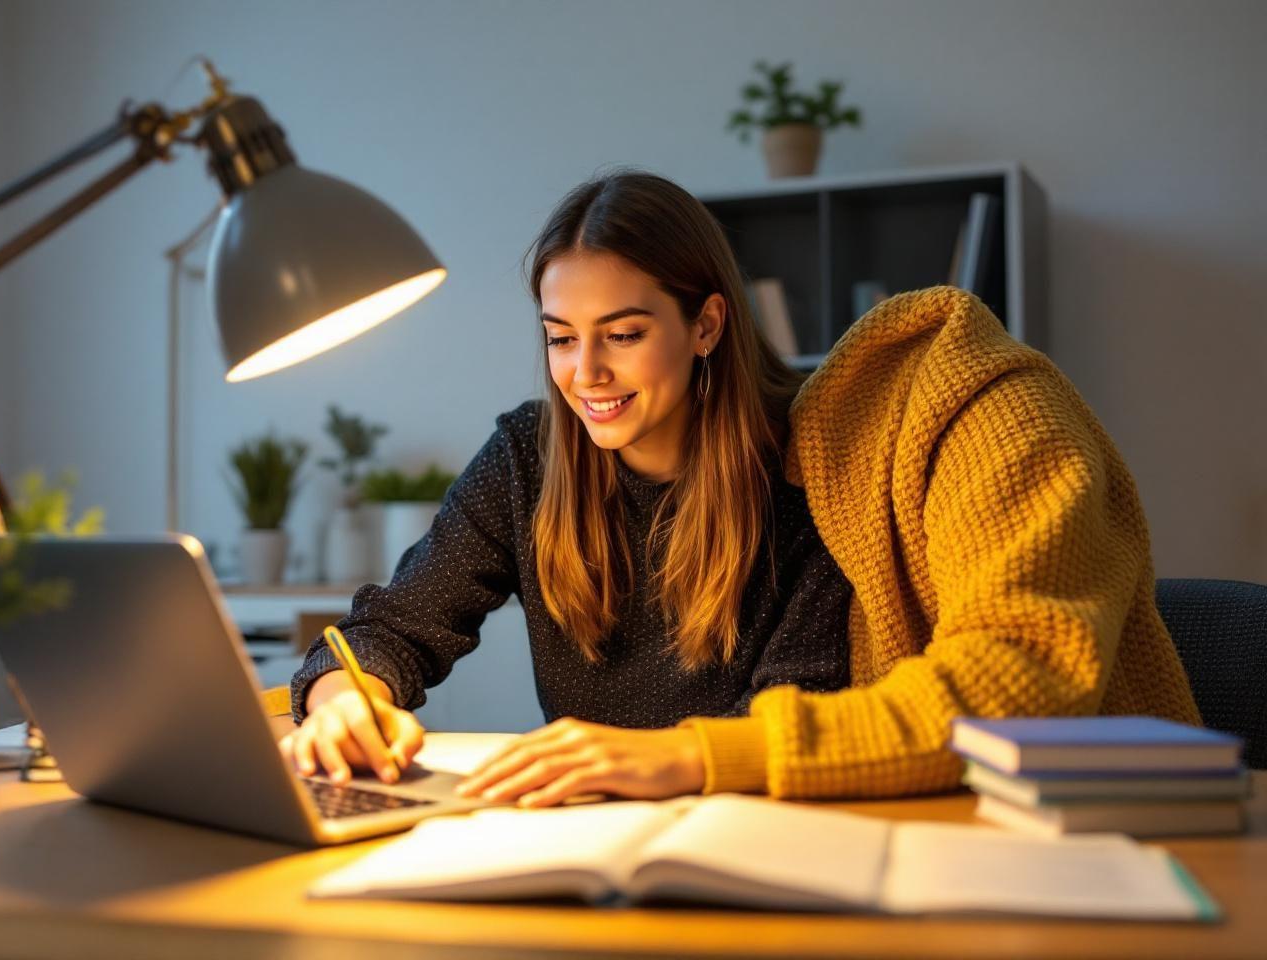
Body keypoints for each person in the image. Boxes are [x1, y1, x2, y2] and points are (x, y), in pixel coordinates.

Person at [454, 277, 1202, 805]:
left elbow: (1016, 690)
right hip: (940, 815)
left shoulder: (998, 418)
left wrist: (698, 751)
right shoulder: (826, 447)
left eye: (624, 333)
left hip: (1108, 830)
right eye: (562, 337)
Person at [278, 171, 855, 803]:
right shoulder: (528, 457)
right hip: (575, 833)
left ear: (707, 326)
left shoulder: (809, 470)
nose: (587, 374)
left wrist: (656, 761)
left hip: (747, 831)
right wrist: (343, 699)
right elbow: (394, 627)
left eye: (624, 334)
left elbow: (802, 719)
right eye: (561, 338)